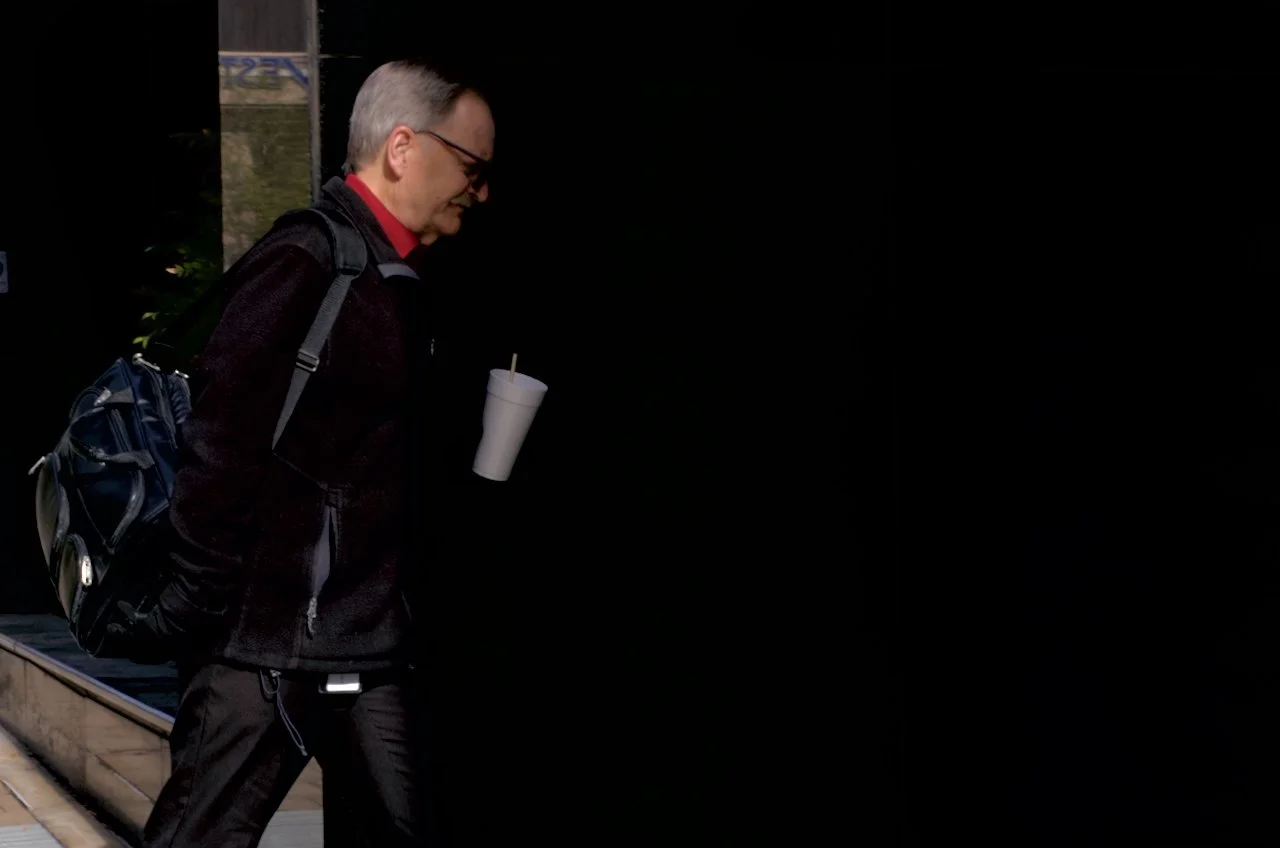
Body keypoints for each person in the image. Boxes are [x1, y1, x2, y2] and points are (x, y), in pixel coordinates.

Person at [112, 59, 495, 847]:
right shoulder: (309, 259)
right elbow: (220, 442)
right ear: (401, 148)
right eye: (471, 166)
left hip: (370, 640)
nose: (479, 190)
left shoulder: (400, 283)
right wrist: (203, 600)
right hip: (267, 648)